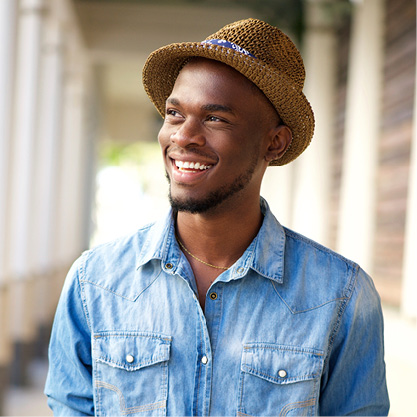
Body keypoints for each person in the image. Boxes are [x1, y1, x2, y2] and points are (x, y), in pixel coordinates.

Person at [45, 18, 389, 416]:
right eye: (174, 114)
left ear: (275, 142)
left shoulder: (340, 296)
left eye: (216, 118)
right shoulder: (95, 282)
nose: (183, 136)